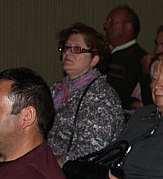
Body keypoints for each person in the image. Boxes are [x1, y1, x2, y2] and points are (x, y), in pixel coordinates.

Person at [48, 23, 123, 165]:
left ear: (94, 60)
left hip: (76, 174)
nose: (67, 53)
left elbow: (94, 148)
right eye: (66, 48)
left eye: (77, 49)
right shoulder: (56, 90)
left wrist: (56, 163)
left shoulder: (102, 96)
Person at [104, 5, 148, 109]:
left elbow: (122, 94)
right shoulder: (106, 54)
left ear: (128, 27)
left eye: (112, 21)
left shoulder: (137, 57)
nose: (105, 25)